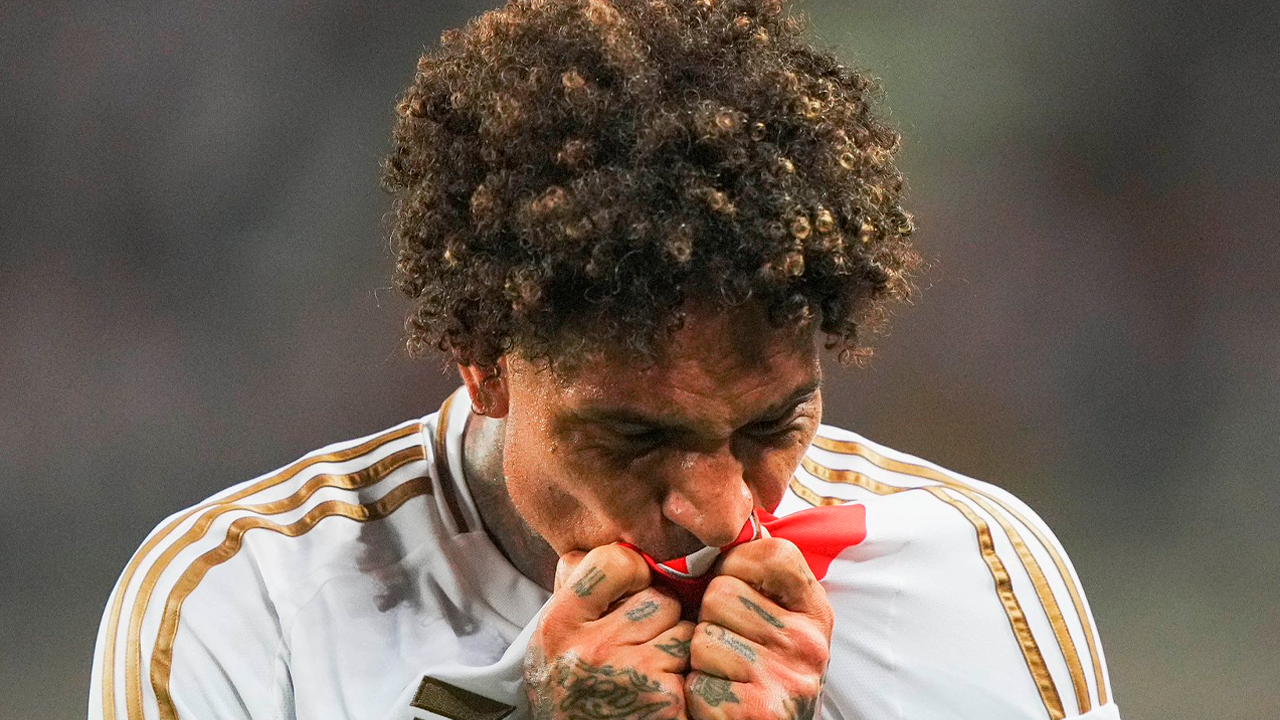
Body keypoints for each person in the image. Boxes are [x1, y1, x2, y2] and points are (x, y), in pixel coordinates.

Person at [89, 0, 1122, 719]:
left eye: (771, 426)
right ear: (483, 360)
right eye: (632, 437)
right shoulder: (239, 608)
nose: (717, 511)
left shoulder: (978, 571)